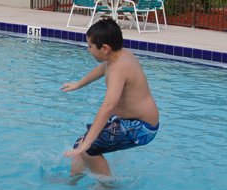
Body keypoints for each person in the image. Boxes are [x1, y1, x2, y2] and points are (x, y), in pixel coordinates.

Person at [61, 18, 160, 177]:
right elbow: (102, 69)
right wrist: (79, 84)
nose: (88, 50)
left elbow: (108, 107)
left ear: (105, 48)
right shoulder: (118, 56)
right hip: (128, 122)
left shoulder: (119, 68)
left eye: (90, 46)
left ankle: (108, 186)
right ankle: (73, 180)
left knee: (88, 147)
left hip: (142, 127)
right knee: (80, 144)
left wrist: (87, 143)